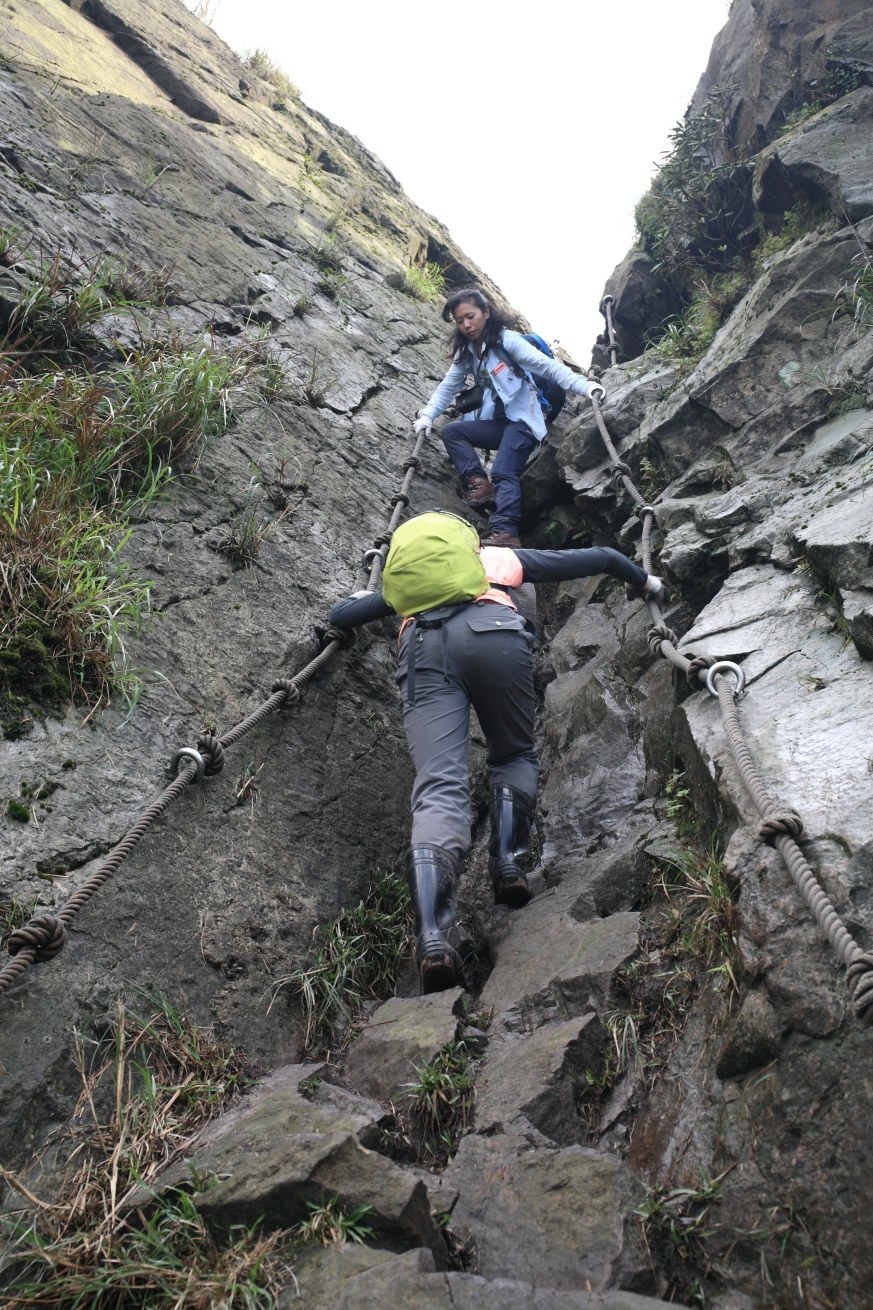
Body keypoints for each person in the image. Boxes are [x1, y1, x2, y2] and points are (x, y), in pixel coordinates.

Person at [328, 512, 665, 995]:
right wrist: (644, 581)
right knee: (513, 754)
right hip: (495, 634)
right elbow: (602, 557)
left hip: (423, 650)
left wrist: (356, 601)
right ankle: (508, 864)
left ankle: (433, 938)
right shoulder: (495, 559)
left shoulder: (408, 587)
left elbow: (341, 616)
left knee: (438, 787)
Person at [412, 289, 607, 548]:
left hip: (523, 422)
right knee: (453, 432)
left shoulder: (508, 342)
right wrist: (428, 415)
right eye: (460, 321)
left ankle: (506, 532)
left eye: (470, 316)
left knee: (503, 470)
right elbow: (448, 387)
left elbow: (549, 368)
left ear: (486, 312)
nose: (466, 325)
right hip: (499, 423)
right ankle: (480, 485)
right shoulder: (467, 351)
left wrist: (586, 387)